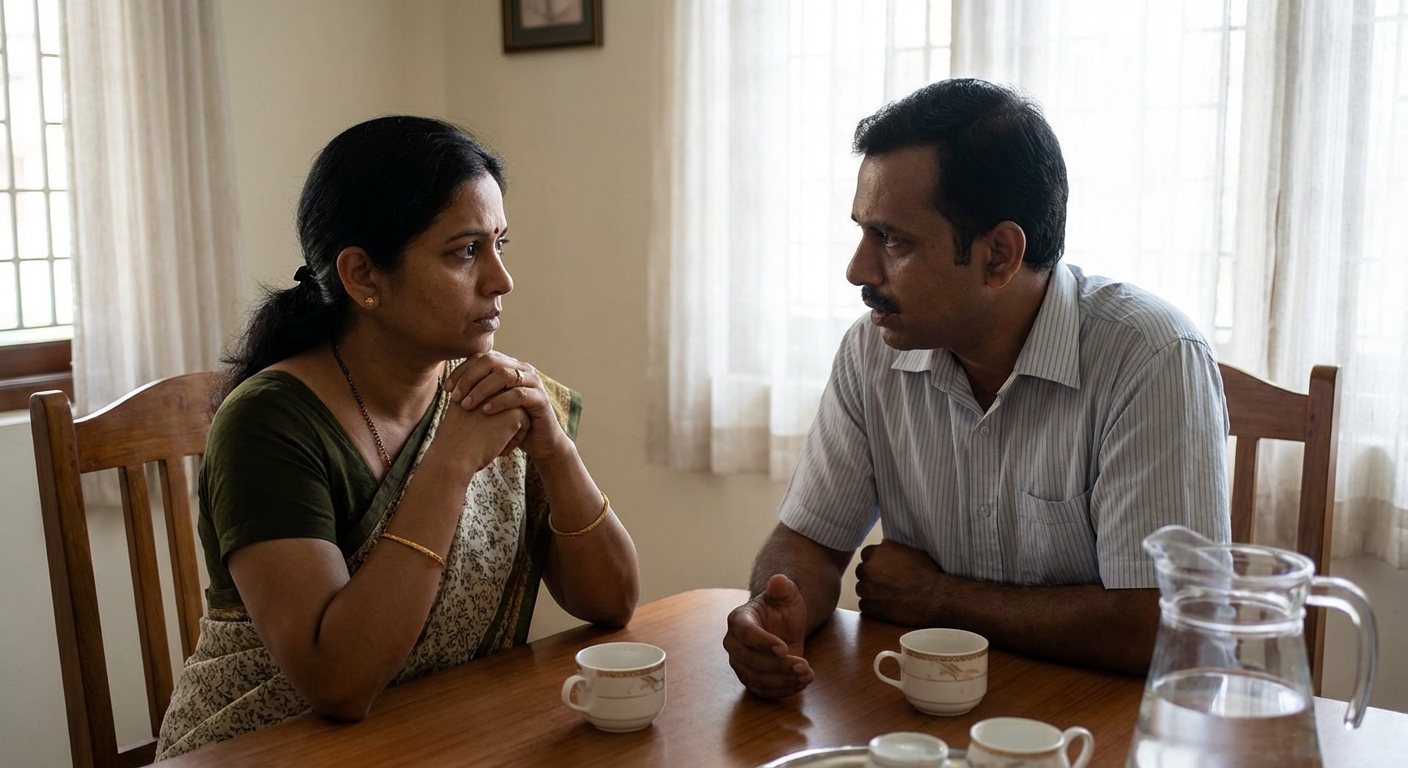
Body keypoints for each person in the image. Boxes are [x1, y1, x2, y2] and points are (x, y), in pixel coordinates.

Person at [723, 79, 1229, 699]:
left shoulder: (1151, 358)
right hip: (932, 722)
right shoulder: (871, 351)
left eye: (893, 240)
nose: (857, 270)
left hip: (1115, 731)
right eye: (862, 232)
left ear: (999, 256)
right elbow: (810, 543)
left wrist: (939, 598)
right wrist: (775, 606)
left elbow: (1161, 627)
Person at [156, 116, 639, 758]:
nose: (501, 279)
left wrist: (557, 451)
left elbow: (611, 603)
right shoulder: (268, 423)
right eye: (465, 251)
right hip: (262, 748)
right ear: (361, 276)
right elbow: (339, 682)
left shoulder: (497, 396)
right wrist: (449, 463)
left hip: (437, 738)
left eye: (501, 244)